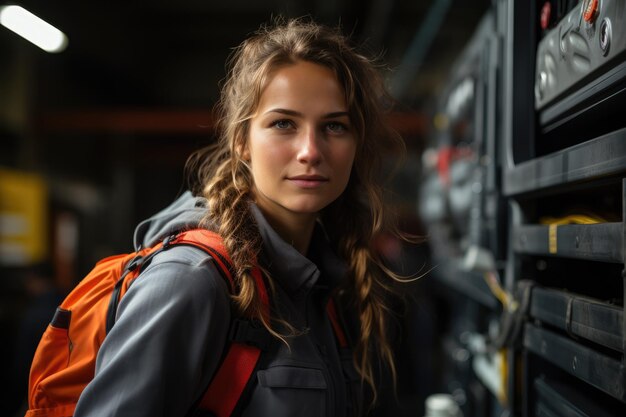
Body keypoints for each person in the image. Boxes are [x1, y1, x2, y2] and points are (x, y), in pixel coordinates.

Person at [74, 16, 415, 417]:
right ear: (242, 142)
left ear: (357, 144)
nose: (310, 150)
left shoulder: (329, 285)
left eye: (335, 126)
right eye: (283, 123)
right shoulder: (190, 281)